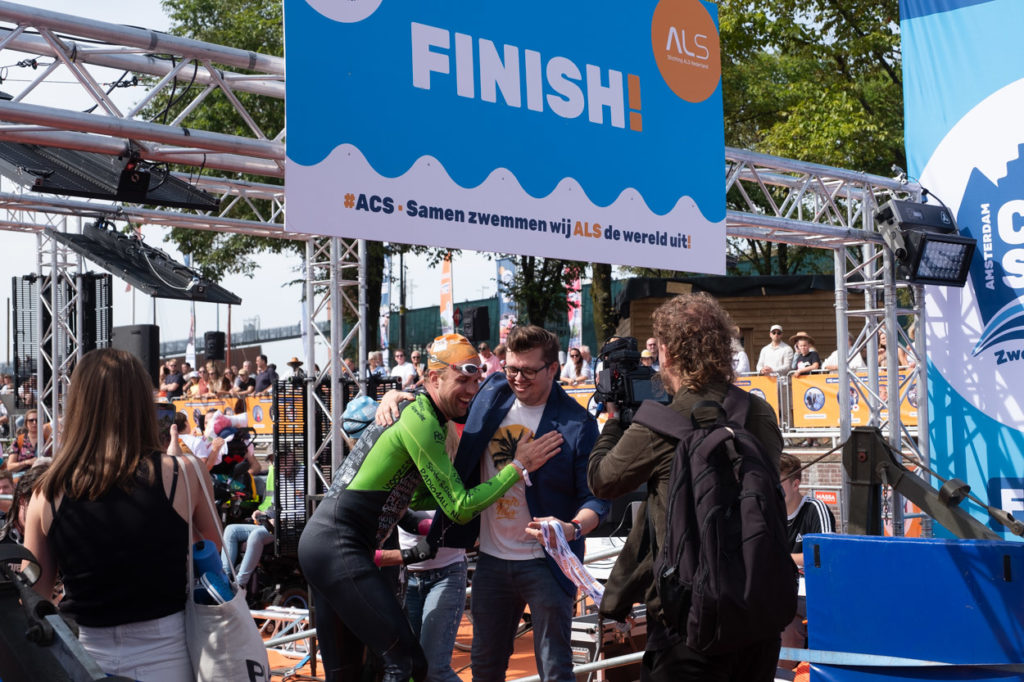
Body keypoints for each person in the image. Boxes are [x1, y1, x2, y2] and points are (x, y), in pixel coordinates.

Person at [298, 333, 559, 682]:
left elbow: (416, 498)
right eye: (462, 380)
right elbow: (459, 508)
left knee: (348, 674)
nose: (471, 390)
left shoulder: (425, 415)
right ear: (434, 378)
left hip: (325, 544)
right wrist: (517, 467)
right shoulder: (421, 418)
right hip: (338, 546)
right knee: (407, 664)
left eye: (476, 380)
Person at [391, 324, 608, 682]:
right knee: (486, 667)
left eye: (528, 371)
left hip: (546, 565)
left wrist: (571, 528)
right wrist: (398, 397)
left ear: (553, 369)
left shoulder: (577, 424)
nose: (517, 379)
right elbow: (441, 397)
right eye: (510, 369)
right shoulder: (492, 392)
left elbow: (596, 500)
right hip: (491, 561)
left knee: (555, 669)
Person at [588, 293, 784, 682]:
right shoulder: (757, 412)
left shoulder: (661, 424)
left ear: (667, 353)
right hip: (756, 611)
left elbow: (603, 479)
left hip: (690, 622)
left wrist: (613, 420)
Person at [22, 348, 221, 681]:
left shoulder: (46, 492)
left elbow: (35, 594)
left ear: (80, 408)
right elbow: (212, 560)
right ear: (141, 404)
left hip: (82, 656)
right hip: (169, 655)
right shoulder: (185, 474)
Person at [778, 453, 835, 667]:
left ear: (795, 484)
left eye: (779, 484)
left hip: (811, 594)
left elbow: (825, 555)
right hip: (780, 594)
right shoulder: (766, 513)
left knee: (785, 623)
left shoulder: (815, 509)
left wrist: (783, 559)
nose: (773, 490)